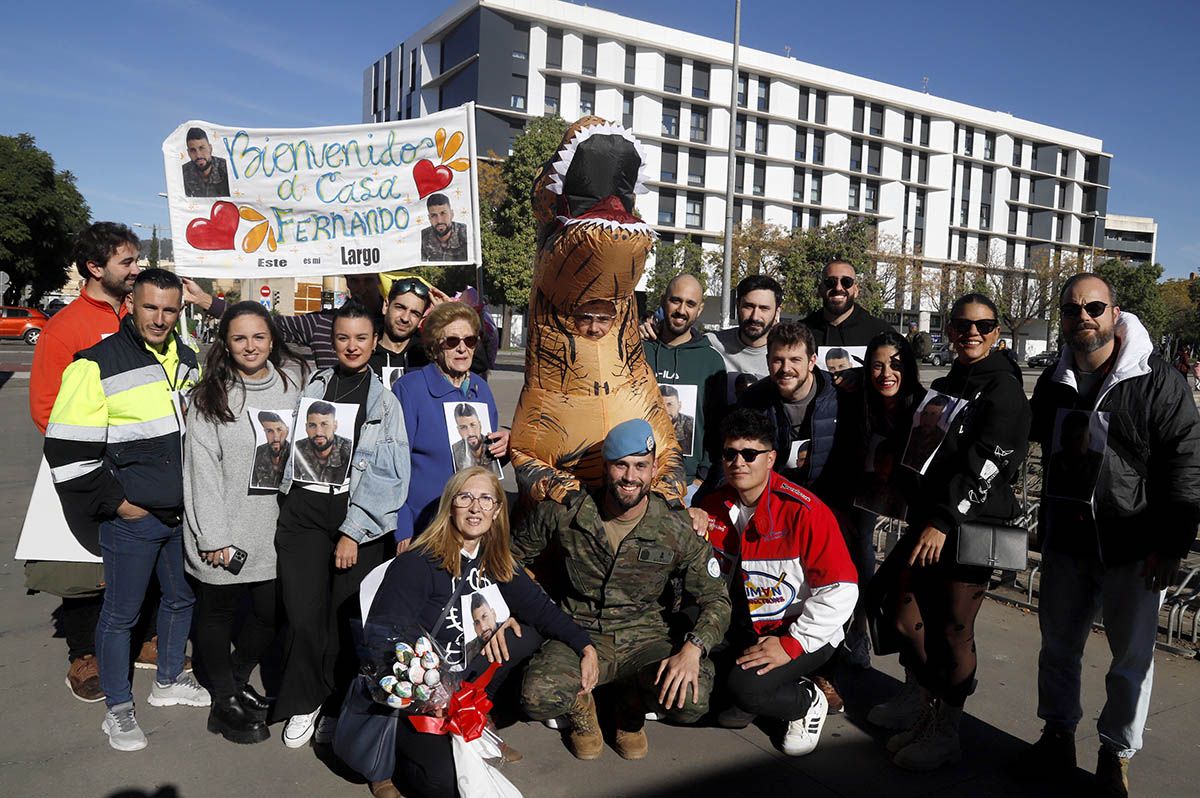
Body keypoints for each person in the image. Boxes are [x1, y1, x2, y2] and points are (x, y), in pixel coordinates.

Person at [1029, 274, 1200, 797]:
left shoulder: (1155, 379)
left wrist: (1172, 545)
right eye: (1072, 309)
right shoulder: (1054, 378)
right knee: (1058, 648)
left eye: (1094, 307)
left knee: (1131, 660)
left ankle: (1115, 754)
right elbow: (1031, 439)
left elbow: (1185, 463)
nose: (1083, 317)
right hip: (1067, 539)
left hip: (1133, 544)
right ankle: (1057, 735)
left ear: (1114, 312)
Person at [28, 222, 215, 701]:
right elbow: (49, 410)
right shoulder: (66, 327)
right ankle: (83, 654)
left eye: (137, 263)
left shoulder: (156, 326)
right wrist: (105, 476)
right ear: (96, 268)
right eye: (127, 263)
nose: (135, 271)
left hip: (150, 479)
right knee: (81, 574)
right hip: (94, 469)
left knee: (148, 577)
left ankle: (150, 646)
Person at [365, 467, 596, 798]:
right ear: (450, 505)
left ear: (497, 510)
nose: (476, 507)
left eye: (486, 498)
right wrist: (429, 697)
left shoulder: (495, 559)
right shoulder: (417, 564)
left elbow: (541, 611)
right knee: (442, 783)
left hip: (462, 686)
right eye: (466, 497)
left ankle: (479, 723)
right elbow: (383, 642)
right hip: (417, 695)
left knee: (523, 632)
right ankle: (388, 763)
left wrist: (585, 646)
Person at [871, 292, 1031, 771]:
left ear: (997, 332)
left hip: (970, 526)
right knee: (901, 611)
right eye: (961, 325)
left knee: (953, 628)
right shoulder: (949, 381)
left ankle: (946, 727)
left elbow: (992, 463)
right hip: (929, 519)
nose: (971, 334)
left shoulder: (1004, 389)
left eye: (982, 325)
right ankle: (924, 701)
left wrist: (944, 519)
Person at [514, 419, 731, 761]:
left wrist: (694, 647)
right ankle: (580, 710)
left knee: (694, 700)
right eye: (621, 465)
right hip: (577, 633)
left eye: (640, 466)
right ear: (605, 467)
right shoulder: (564, 513)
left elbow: (716, 597)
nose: (630, 477)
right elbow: (509, 559)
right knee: (538, 696)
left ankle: (629, 702)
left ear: (654, 469)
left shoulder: (674, 526)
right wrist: (505, 611)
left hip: (643, 639)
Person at [273, 300, 411, 750]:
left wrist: (353, 531)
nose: (351, 346)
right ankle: (305, 700)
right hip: (302, 517)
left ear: (375, 341)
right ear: (331, 341)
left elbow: (391, 476)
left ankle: (333, 704)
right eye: (342, 337)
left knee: (341, 619)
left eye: (361, 338)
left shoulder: (385, 403)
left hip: (354, 524)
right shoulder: (314, 384)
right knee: (302, 614)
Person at [698, 409, 859, 756]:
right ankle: (757, 693)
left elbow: (842, 592)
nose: (738, 462)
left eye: (749, 454)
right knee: (717, 707)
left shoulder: (805, 511)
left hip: (802, 631)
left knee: (746, 690)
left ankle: (807, 701)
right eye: (730, 453)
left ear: (770, 458)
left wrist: (792, 643)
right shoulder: (711, 505)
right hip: (744, 625)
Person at [183, 302, 308, 744]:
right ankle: (223, 701)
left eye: (258, 337)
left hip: (278, 529)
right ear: (226, 343)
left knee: (269, 614)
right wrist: (213, 535)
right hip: (226, 529)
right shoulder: (210, 397)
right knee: (216, 615)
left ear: (271, 339)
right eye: (239, 338)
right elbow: (202, 472)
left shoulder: (295, 386)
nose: (250, 346)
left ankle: (234, 677)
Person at [393, 301, 508, 545]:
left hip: (473, 524)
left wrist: (504, 446)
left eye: (470, 341)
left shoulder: (481, 389)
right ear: (435, 346)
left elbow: (487, 462)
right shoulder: (410, 389)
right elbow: (393, 464)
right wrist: (402, 527)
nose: (462, 349)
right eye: (452, 341)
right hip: (425, 523)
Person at [643, 274, 727, 496]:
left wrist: (701, 478)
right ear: (663, 301)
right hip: (637, 480)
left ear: (699, 310)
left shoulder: (711, 361)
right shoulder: (639, 351)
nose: (681, 310)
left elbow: (716, 426)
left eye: (690, 304)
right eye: (676, 300)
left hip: (688, 487)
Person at [739, 322, 844, 491]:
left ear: (812, 362)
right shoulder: (753, 399)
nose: (786, 369)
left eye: (795, 360)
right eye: (778, 360)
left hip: (829, 499)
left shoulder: (839, 395)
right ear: (767, 361)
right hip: (774, 498)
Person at [205, 273, 384, 370]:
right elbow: (264, 323)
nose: (362, 288)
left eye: (368, 280)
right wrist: (205, 301)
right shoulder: (322, 321)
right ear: (347, 283)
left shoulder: (396, 323)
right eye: (355, 281)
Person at [368, 276, 433, 376]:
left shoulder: (428, 359)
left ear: (421, 320)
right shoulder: (364, 353)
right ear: (386, 306)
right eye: (400, 308)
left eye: (415, 313)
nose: (405, 318)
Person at [1043, 410, 1103, 502]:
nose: (1076, 443)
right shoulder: (1056, 460)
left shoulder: (1097, 460)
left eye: (1079, 437)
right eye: (1071, 437)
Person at [292, 401, 354, 485]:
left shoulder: (349, 450)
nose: (318, 433)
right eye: (312, 425)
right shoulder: (296, 449)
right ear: (306, 427)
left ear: (335, 426)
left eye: (324, 424)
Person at [901, 394, 953, 472]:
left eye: (933, 415)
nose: (927, 419)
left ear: (941, 417)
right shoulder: (914, 432)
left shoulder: (942, 437)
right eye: (925, 413)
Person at [181, 127, 231, 197]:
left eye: (202, 148)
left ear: (210, 148)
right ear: (188, 153)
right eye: (193, 150)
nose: (198, 155)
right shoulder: (181, 175)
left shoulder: (227, 169)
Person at [449, 402, 497, 472]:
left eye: (473, 425)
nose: (470, 433)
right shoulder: (455, 451)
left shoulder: (492, 445)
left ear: (480, 425)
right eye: (463, 427)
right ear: (458, 430)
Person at [419, 193, 468, 261]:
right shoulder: (423, 237)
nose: (439, 221)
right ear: (429, 218)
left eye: (443, 213)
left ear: (451, 214)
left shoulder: (466, 233)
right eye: (434, 215)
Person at [251, 411, 292, 489]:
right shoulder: (259, 452)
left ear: (287, 431)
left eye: (279, 430)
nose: (276, 438)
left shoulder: (295, 454)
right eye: (269, 431)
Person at [658, 385, 695, 456]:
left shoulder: (690, 425)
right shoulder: (648, 422)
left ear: (679, 405)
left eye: (669, 404)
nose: (665, 410)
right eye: (661, 404)